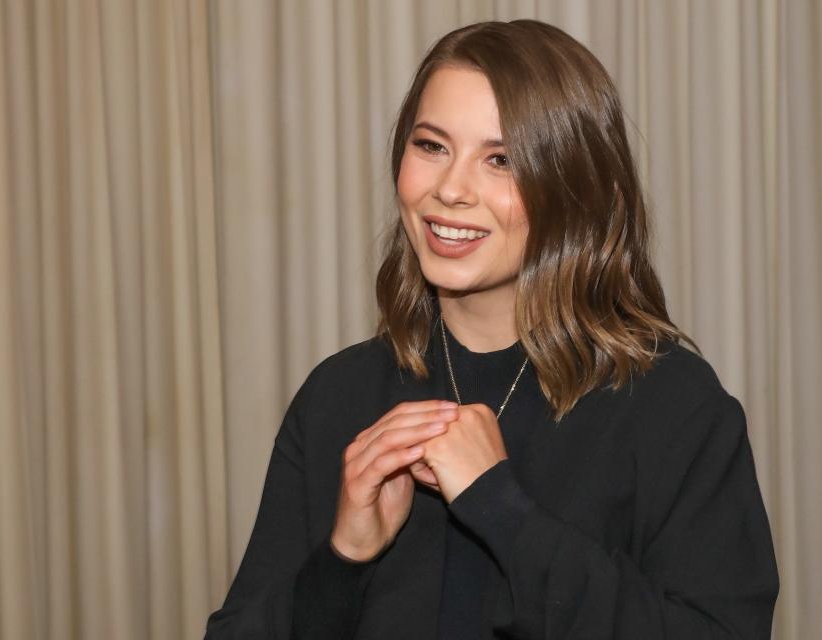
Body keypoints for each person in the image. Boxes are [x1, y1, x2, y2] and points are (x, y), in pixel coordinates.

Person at [205, 19, 779, 640]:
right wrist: (344, 558)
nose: (450, 189)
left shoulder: (672, 404)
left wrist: (502, 510)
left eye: (500, 160)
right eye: (431, 146)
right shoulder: (339, 395)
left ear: (576, 187)